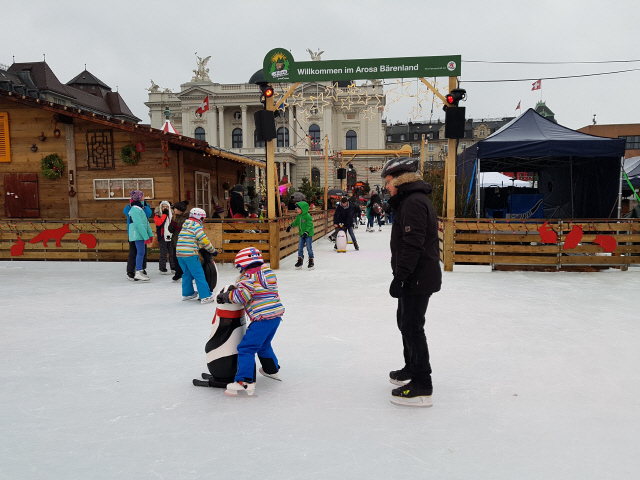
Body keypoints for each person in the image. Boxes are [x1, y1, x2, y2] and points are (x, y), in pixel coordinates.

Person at [382, 156, 442, 407]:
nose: (386, 187)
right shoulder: (409, 201)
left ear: (399, 180)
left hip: (417, 277)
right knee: (405, 323)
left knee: (413, 327)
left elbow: (413, 244)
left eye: (387, 181)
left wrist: (401, 276)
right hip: (415, 276)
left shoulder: (414, 203)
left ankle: (421, 383)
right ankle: (411, 367)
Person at [216, 247, 285, 397]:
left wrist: (227, 296)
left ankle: (245, 382)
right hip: (276, 316)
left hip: (262, 319)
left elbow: (243, 295)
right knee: (264, 345)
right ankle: (271, 370)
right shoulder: (268, 272)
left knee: (246, 348)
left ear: (244, 265)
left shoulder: (247, 278)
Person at [175, 207, 217, 304]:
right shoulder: (196, 226)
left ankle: (187, 293)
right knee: (199, 274)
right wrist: (212, 250)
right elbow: (204, 240)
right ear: (200, 218)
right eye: (203, 219)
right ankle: (205, 296)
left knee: (187, 273)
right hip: (190, 254)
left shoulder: (185, 225)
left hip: (179, 253)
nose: (204, 221)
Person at [126, 190, 154, 282]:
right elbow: (139, 224)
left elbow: (145, 223)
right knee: (140, 253)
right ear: (139, 198)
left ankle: (139, 270)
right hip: (137, 235)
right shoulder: (134, 209)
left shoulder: (140, 208)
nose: (144, 197)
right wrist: (146, 236)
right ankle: (138, 272)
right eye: (143, 196)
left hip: (139, 234)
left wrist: (149, 234)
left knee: (141, 253)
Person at [286, 201, 315, 269]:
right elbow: (296, 222)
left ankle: (311, 261)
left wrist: (306, 232)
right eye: (297, 209)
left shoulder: (308, 216)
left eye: (298, 209)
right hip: (302, 235)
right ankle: (300, 261)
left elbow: (309, 225)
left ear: (303, 209)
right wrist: (290, 226)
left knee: (309, 248)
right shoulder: (299, 216)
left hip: (308, 235)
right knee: (300, 248)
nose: (297, 210)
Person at [168, 200, 189, 282]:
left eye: (175, 209)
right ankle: (178, 274)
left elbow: (185, 230)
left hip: (183, 242)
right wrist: (172, 226)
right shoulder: (175, 217)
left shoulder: (186, 218)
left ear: (180, 209)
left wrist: (176, 227)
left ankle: (186, 274)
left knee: (183, 259)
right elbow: (170, 230)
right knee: (175, 259)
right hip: (175, 241)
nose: (174, 210)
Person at [153, 201, 175, 275]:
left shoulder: (172, 215)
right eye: (163, 206)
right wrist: (164, 215)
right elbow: (159, 223)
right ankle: (162, 268)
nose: (165, 208)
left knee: (172, 252)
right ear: (160, 207)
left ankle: (173, 267)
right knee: (163, 252)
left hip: (172, 236)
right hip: (162, 236)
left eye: (166, 206)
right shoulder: (157, 215)